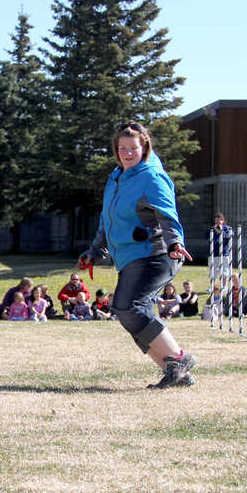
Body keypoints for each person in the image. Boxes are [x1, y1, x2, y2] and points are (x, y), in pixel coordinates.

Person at [78, 121, 196, 389]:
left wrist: (175, 241)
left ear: (145, 147)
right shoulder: (116, 178)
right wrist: (95, 251)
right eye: (122, 148)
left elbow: (168, 215)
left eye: (133, 148)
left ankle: (179, 359)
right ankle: (176, 373)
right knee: (125, 309)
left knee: (131, 307)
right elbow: (107, 221)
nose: (127, 153)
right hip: (132, 257)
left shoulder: (152, 177)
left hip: (156, 253)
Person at [206, 213, 233, 290]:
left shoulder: (227, 228)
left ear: (223, 221)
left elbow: (229, 237)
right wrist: (214, 230)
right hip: (213, 254)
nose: (217, 222)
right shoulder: (211, 229)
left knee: (224, 270)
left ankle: (224, 286)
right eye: (216, 220)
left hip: (224, 253)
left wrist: (221, 231)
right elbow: (206, 237)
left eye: (219, 220)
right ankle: (212, 286)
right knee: (212, 271)